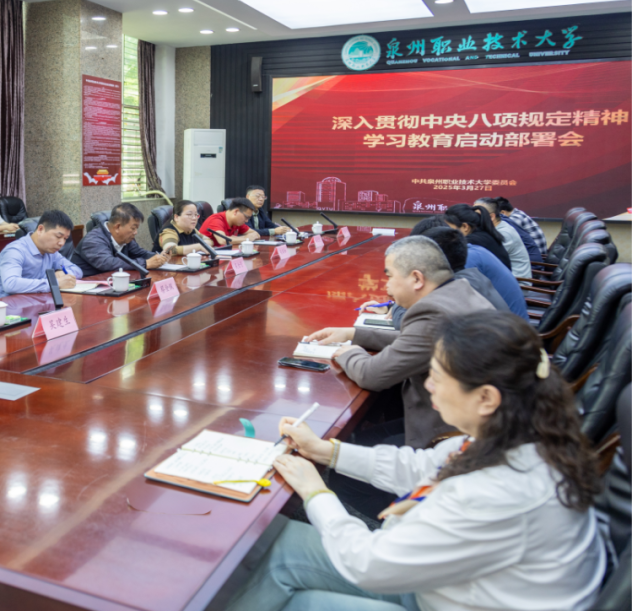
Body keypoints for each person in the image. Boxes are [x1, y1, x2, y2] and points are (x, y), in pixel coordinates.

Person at [226, 314, 605, 611]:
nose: (428, 386)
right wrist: (328, 452)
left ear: (486, 397)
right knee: (279, 541)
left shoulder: (498, 490)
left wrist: (316, 492)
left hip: (455, 597)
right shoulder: (521, 434)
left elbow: (368, 563)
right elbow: (422, 466)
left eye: (437, 378)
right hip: (456, 587)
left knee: (292, 598)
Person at [303, 236, 494, 449]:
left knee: (349, 445)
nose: (386, 286)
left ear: (417, 279)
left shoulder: (433, 311)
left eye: (390, 276)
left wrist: (350, 353)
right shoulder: (458, 291)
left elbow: (371, 375)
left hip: (448, 436)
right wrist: (354, 333)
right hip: (464, 420)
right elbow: (420, 341)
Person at [370, 226, 527, 327]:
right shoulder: (467, 275)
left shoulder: (457, 287)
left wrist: (401, 299)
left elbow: (408, 324)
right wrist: (393, 305)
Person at [0, 210, 82, 298]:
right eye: (58, 236)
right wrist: (54, 283)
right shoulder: (15, 251)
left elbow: (77, 271)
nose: (62, 243)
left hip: (37, 301)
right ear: (40, 229)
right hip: (9, 305)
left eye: (65, 238)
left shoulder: (51, 252)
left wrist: (61, 273)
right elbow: (11, 284)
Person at [72, 203, 169, 275]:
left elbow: (141, 253)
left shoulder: (125, 239)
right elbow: (109, 264)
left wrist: (160, 257)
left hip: (112, 285)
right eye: (133, 228)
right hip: (87, 289)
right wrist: (145, 263)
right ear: (117, 227)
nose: (135, 232)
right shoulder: (93, 240)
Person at [475, 198, 533, 279]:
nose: (473, 217)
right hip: (502, 276)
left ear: (491, 217)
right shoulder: (496, 227)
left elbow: (486, 260)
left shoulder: (504, 233)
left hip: (516, 281)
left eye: (477, 215)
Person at [443, 203, 512, 270]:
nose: (447, 232)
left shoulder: (472, 241)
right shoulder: (483, 235)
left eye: (449, 227)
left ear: (465, 227)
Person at [478, 197, 543, 263]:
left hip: (533, 260)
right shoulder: (517, 214)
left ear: (502, 213)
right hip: (532, 255)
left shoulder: (512, 221)